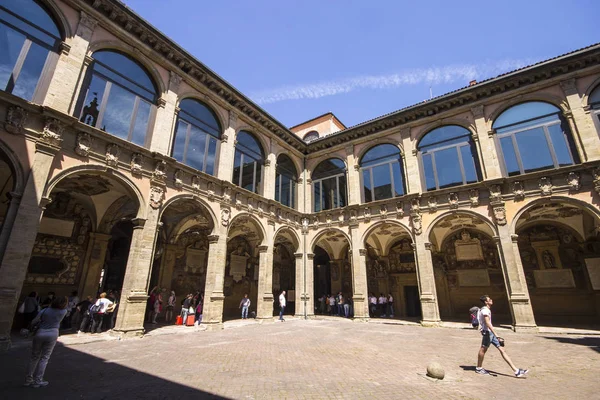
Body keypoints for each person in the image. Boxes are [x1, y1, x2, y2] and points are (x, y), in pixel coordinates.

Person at [476, 295, 529, 378]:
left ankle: (516, 371)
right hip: (487, 333)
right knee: (482, 350)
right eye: (489, 299)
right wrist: (496, 334)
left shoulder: (486, 309)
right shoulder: (485, 310)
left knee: (502, 350)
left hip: (490, 333)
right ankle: (479, 368)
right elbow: (487, 323)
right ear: (486, 302)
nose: (491, 300)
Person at [24, 295, 68, 388]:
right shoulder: (63, 311)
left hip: (40, 332)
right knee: (45, 358)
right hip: (53, 333)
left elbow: (34, 321)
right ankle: (38, 380)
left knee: (34, 357)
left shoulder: (44, 311)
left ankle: (28, 379)